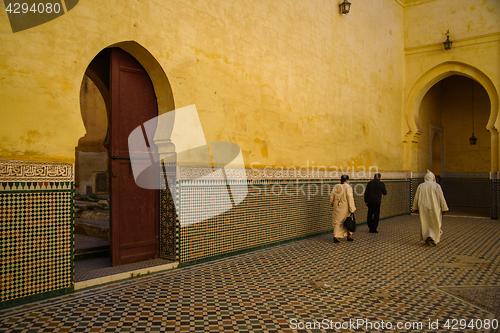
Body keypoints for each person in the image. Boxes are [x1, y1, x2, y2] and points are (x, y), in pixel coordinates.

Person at [412, 170, 449, 246]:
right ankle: (434, 238)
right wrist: (444, 208)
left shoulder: (421, 186)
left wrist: (415, 207)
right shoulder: (436, 186)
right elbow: (441, 197)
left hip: (423, 208)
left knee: (425, 222)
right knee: (435, 223)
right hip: (434, 207)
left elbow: (416, 197)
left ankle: (427, 237)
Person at [330, 174, 356, 243]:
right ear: (347, 180)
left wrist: (332, 203)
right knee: (348, 220)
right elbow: (350, 198)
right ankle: (349, 235)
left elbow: (332, 196)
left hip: (336, 206)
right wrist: (352, 208)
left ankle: (336, 236)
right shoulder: (348, 187)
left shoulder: (336, 186)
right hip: (344, 206)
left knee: (337, 221)